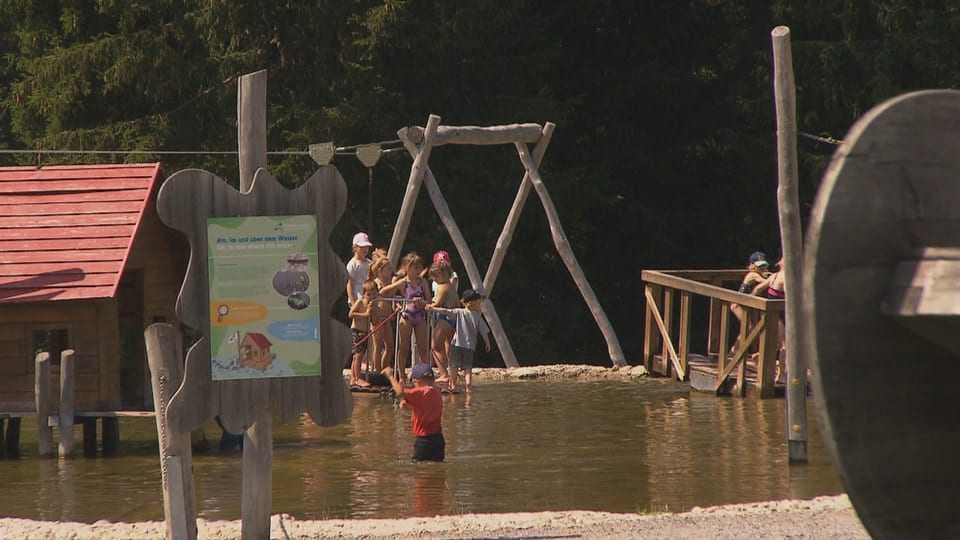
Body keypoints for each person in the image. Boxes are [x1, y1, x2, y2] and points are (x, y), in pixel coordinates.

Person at [426, 289, 491, 392]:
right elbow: (484, 331)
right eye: (478, 301)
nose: (480, 303)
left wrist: (433, 308)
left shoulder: (459, 312)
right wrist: (487, 343)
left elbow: (445, 311)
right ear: (471, 303)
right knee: (468, 367)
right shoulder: (478, 317)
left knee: (453, 366)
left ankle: (453, 385)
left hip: (457, 344)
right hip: (470, 346)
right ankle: (468, 384)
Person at [379, 252, 429, 383]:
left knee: (423, 348)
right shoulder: (403, 282)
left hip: (420, 316)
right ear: (407, 267)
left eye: (419, 268)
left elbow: (429, 300)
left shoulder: (423, 282)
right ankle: (401, 376)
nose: (418, 271)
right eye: (415, 268)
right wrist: (396, 300)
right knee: (403, 347)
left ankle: (425, 375)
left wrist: (422, 301)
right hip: (406, 316)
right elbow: (383, 292)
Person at [384, 363, 444, 462]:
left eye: (414, 382)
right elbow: (423, 407)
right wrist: (408, 404)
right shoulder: (437, 391)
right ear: (433, 380)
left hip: (424, 441)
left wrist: (390, 376)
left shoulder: (420, 392)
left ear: (417, 381)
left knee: (418, 470)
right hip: (438, 439)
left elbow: (400, 393)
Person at [728, 251, 770, 354]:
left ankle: (736, 349)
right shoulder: (753, 275)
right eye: (759, 266)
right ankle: (735, 350)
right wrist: (774, 277)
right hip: (737, 304)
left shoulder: (758, 274)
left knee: (749, 327)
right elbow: (765, 283)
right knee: (748, 327)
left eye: (764, 265)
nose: (762, 268)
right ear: (752, 265)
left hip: (744, 304)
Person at [428, 260, 458, 383]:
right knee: (448, 347)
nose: (434, 279)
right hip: (453, 319)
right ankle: (451, 374)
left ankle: (444, 374)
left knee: (435, 347)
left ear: (445, 273)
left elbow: (437, 304)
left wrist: (426, 306)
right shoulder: (451, 286)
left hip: (444, 319)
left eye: (436, 275)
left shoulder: (442, 287)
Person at [368, 256, 397, 372]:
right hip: (377, 317)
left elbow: (392, 297)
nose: (391, 271)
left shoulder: (390, 283)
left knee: (390, 346)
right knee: (378, 345)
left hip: (387, 318)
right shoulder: (376, 283)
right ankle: (377, 370)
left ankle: (384, 368)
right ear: (380, 270)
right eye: (388, 269)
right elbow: (380, 293)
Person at [348, 280, 377, 387]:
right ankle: (357, 378)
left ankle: (353, 377)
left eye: (374, 294)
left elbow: (374, 321)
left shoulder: (373, 306)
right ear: (364, 294)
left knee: (358, 356)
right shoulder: (360, 302)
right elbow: (351, 314)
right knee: (358, 355)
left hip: (365, 332)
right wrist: (365, 314)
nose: (371, 297)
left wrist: (372, 311)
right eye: (369, 294)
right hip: (356, 331)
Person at [345, 232, 373, 309]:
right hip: (357, 297)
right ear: (355, 247)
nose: (365, 249)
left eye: (367, 246)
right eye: (362, 246)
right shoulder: (352, 264)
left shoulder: (370, 263)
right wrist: (353, 302)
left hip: (368, 296)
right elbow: (349, 284)